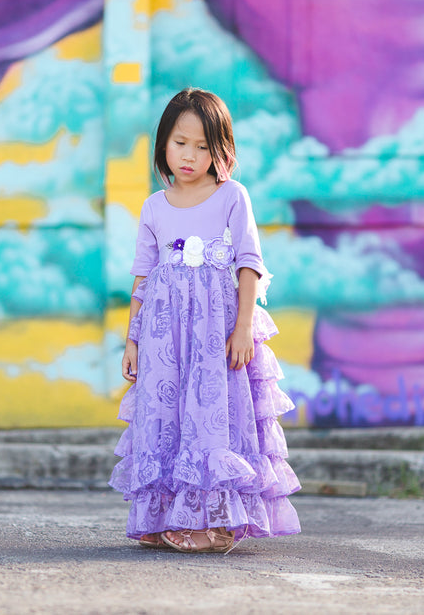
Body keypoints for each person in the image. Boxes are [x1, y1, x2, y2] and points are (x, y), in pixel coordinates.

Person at [110, 88, 301, 553]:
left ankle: (210, 526)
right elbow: (143, 276)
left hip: (217, 334)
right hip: (163, 335)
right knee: (165, 417)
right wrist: (132, 340)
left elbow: (249, 263)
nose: (190, 156)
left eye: (202, 145)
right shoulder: (154, 207)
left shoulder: (232, 196)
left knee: (208, 419)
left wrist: (243, 327)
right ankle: (161, 516)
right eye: (180, 143)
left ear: (221, 149)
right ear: (163, 145)